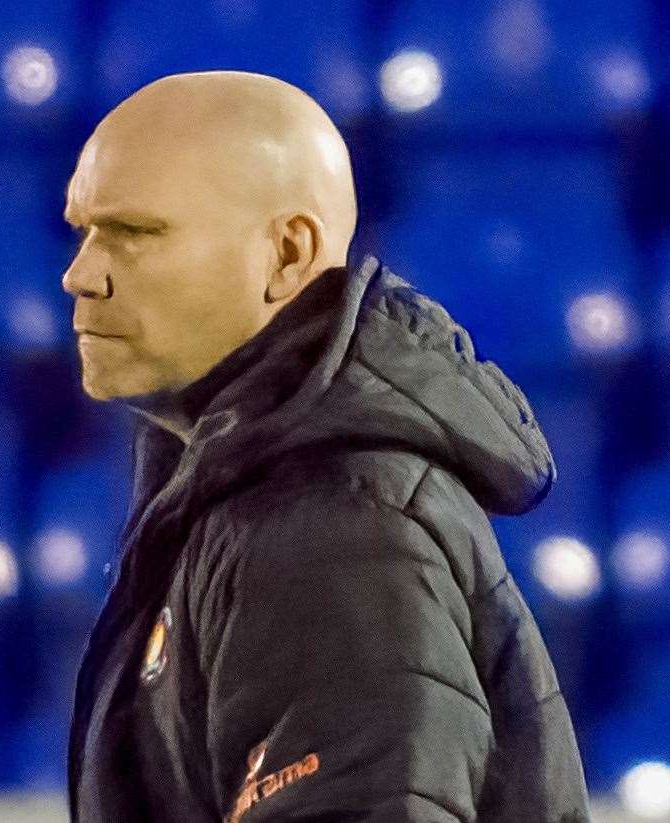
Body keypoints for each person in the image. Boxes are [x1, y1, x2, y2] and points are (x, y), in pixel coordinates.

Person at [60, 69, 591, 823]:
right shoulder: (250, 486)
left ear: (287, 252)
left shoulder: (334, 528)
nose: (80, 274)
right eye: (83, 230)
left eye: (134, 232)